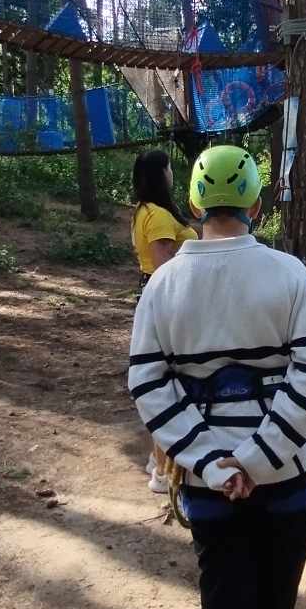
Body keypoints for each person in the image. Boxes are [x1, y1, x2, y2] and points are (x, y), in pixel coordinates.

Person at [127, 145, 306, 609]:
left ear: (193, 205)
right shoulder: (291, 276)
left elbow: (149, 383)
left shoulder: (163, 286)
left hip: (208, 485)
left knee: (224, 603)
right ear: (257, 204)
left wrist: (214, 462)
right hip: (287, 477)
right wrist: (259, 458)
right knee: (273, 594)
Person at [130, 148, 197, 493]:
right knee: (170, 383)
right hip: (169, 301)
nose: (172, 173)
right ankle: (162, 469)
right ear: (160, 174)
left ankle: (156, 458)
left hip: (160, 297)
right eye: (169, 168)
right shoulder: (156, 215)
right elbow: (164, 267)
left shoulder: (149, 210)